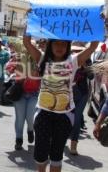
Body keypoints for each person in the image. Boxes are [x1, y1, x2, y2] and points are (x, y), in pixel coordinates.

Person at [23, 34, 98, 172]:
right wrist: (29, 20)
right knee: (40, 155)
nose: (59, 47)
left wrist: (99, 24)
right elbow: (26, 42)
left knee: (57, 155)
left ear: (68, 46)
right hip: (43, 114)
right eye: (56, 43)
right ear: (50, 45)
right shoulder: (42, 59)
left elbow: (93, 46)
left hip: (65, 116)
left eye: (63, 44)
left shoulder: (74, 61)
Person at [7, 40, 40, 150]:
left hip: (34, 93)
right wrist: (14, 69)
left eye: (31, 47)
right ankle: (19, 139)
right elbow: (8, 68)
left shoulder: (38, 59)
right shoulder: (18, 57)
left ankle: (30, 130)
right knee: (20, 118)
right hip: (20, 92)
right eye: (27, 47)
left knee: (30, 117)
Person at [69, 45, 93, 155]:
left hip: (82, 93)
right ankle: (61, 139)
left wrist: (85, 67)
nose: (77, 52)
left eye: (79, 51)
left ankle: (74, 145)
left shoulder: (87, 59)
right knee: (67, 117)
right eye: (75, 50)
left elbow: (92, 76)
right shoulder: (68, 58)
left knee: (77, 118)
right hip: (68, 93)